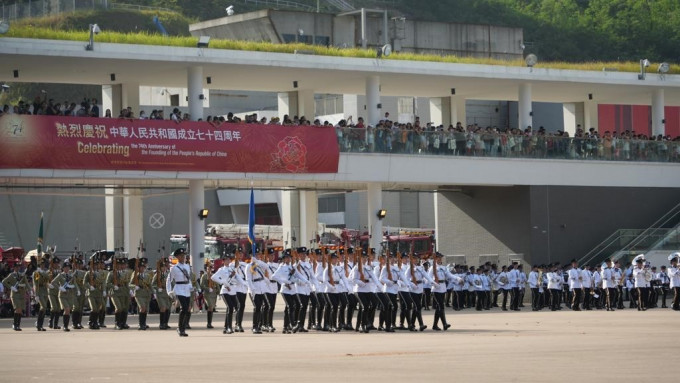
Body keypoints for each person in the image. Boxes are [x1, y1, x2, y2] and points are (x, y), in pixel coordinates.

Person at [272, 249, 307, 334]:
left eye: (289, 258)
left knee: (297, 305)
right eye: (286, 258)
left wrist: (305, 281)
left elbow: (297, 276)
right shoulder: (281, 267)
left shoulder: (292, 267)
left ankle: (286, 326)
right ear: (283, 259)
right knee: (290, 306)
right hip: (285, 290)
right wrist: (284, 282)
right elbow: (274, 276)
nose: (288, 259)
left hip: (293, 289)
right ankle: (292, 324)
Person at [211, 252, 246, 334]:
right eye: (226, 260)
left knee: (236, 307)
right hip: (225, 290)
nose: (228, 261)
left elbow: (238, 278)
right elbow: (213, 277)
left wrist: (245, 284)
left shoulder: (232, 269)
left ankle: (226, 327)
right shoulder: (221, 270)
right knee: (230, 307)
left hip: (233, 290)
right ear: (223, 261)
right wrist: (223, 282)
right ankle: (229, 328)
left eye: (229, 259)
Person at [165, 248, 192, 337]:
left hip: (187, 288)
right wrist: (169, 291)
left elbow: (188, 278)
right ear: (177, 257)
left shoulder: (187, 266)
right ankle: (180, 328)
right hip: (179, 288)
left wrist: (191, 286)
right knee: (183, 307)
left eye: (184, 255)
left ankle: (182, 328)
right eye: (181, 256)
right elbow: (169, 280)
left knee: (187, 308)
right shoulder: (174, 268)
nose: (183, 257)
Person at [429, 252, 457, 330]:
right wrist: (434, 283)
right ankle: (444, 324)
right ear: (435, 258)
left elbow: (449, 275)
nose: (439, 259)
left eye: (440, 257)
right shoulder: (432, 267)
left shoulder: (444, 268)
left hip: (442, 288)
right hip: (436, 289)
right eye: (438, 257)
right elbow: (428, 278)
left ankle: (435, 325)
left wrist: (457, 278)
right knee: (441, 306)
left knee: (439, 307)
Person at [245, 249, 271, 334]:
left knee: (266, 305)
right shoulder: (249, 266)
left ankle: (262, 324)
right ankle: (255, 326)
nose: (257, 256)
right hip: (255, 287)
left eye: (258, 254)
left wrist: (257, 262)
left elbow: (267, 267)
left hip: (262, 287)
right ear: (251, 256)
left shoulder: (260, 264)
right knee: (257, 307)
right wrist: (252, 290)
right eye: (255, 255)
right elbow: (248, 279)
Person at [50, 260, 80, 332]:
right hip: (62, 295)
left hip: (70, 295)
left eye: (68, 267)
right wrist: (60, 288)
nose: (67, 269)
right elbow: (53, 282)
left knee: (68, 310)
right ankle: (65, 326)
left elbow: (75, 284)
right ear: (63, 268)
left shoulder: (71, 276)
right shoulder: (60, 275)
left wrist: (78, 290)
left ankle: (66, 325)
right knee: (66, 309)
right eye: (65, 267)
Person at [2, 262, 29, 331]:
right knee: (17, 309)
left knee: (20, 311)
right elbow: (4, 281)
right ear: (13, 268)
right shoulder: (11, 275)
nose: (17, 268)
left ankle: (18, 325)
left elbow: (27, 283)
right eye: (16, 267)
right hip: (15, 294)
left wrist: (30, 290)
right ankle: (14, 324)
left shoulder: (22, 275)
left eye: (18, 267)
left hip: (21, 294)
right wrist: (11, 287)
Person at [107, 257, 131, 330]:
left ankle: (123, 323)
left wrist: (130, 290)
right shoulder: (111, 273)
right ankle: (117, 323)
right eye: (120, 264)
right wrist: (113, 286)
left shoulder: (125, 273)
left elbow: (126, 283)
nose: (122, 266)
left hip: (124, 292)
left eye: (123, 264)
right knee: (119, 307)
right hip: (115, 293)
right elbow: (107, 283)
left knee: (125, 308)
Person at [83, 254, 106, 330]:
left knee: (98, 309)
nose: (95, 266)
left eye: (96, 265)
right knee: (94, 308)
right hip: (91, 293)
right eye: (93, 265)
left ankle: (95, 322)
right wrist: (90, 286)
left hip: (99, 293)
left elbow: (102, 282)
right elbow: (84, 283)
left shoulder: (100, 273)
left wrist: (104, 290)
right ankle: (90, 322)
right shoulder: (88, 273)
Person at [129, 258, 153, 330]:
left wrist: (153, 292)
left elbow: (149, 284)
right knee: (142, 308)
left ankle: (144, 323)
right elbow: (130, 284)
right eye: (141, 267)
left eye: (143, 267)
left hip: (146, 293)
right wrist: (134, 287)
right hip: (139, 293)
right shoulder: (135, 274)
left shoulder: (147, 275)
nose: (142, 268)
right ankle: (140, 324)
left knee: (145, 309)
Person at [152, 258, 172, 330]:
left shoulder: (169, 274)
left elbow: (172, 283)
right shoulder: (157, 275)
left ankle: (165, 323)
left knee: (168, 308)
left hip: (167, 293)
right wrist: (157, 289)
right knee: (163, 308)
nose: (163, 268)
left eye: (165, 266)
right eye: (162, 267)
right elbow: (153, 284)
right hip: (160, 294)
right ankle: (161, 324)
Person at [32, 257, 51, 331]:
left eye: (43, 264)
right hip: (39, 290)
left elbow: (48, 279)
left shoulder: (44, 272)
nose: (43, 266)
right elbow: (36, 284)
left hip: (45, 291)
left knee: (44, 308)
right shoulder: (37, 273)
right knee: (43, 306)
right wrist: (36, 294)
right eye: (41, 264)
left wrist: (44, 273)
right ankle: (39, 324)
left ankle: (39, 324)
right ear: (39, 265)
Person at [200, 260, 218, 329]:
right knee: (210, 306)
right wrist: (207, 288)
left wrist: (218, 292)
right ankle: (208, 323)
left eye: (210, 268)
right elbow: (202, 285)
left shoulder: (213, 276)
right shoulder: (204, 276)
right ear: (206, 269)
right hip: (207, 294)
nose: (209, 270)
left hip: (213, 294)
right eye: (208, 268)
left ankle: (210, 323)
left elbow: (216, 284)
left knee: (212, 308)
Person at [71, 257, 87, 329]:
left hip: (82, 291)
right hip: (74, 292)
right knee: (76, 307)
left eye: (80, 264)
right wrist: (73, 272)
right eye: (77, 264)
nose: (79, 266)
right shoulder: (72, 272)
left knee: (80, 308)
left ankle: (79, 322)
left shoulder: (84, 273)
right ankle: (74, 323)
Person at [47, 258, 62, 329]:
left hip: (58, 291)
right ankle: (50, 321)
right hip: (52, 292)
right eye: (55, 263)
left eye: (57, 263)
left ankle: (55, 324)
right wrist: (48, 284)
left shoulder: (59, 272)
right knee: (54, 307)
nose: (56, 265)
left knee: (58, 308)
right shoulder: (49, 271)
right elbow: (45, 280)